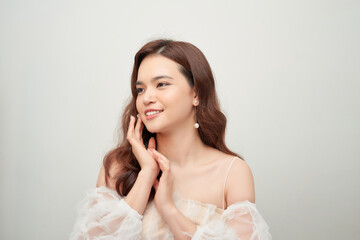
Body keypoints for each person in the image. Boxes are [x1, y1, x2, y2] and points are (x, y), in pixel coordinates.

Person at [69, 39, 272, 240]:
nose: (147, 98)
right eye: (140, 89)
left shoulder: (232, 173)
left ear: (196, 93)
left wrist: (169, 210)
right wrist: (147, 174)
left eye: (161, 84)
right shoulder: (118, 167)